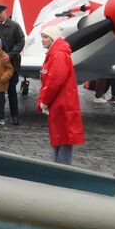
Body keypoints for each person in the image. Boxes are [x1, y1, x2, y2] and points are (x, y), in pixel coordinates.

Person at [37, 29, 82, 165]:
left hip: (62, 104)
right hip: (60, 103)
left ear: (53, 38)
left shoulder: (58, 55)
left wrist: (44, 101)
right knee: (60, 137)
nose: (42, 39)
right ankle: (58, 167)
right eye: (42, 37)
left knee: (63, 138)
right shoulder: (55, 54)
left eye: (45, 37)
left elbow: (55, 80)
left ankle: (61, 169)